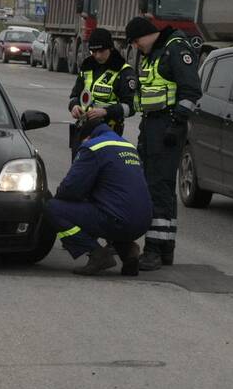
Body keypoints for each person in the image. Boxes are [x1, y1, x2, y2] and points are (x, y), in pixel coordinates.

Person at [124, 15, 202, 272]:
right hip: (152, 126)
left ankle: (154, 250)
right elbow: (146, 95)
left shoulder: (175, 49)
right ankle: (165, 247)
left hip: (167, 127)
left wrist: (176, 123)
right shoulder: (155, 54)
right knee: (159, 188)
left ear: (146, 35)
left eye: (136, 41)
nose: (136, 46)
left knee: (158, 188)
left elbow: (191, 90)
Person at [46, 116, 153, 276]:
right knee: (111, 205)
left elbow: (70, 189)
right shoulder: (127, 146)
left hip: (118, 219)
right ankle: (129, 251)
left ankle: (97, 254)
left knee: (52, 208)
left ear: (87, 136)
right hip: (143, 222)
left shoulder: (92, 147)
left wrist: (65, 197)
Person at [67, 27, 137, 154]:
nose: (97, 55)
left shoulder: (124, 71)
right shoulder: (87, 66)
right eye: (93, 51)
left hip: (109, 131)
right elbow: (74, 95)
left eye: (101, 51)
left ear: (110, 48)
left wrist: (105, 111)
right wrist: (74, 106)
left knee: (103, 171)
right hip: (83, 128)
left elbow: (131, 107)